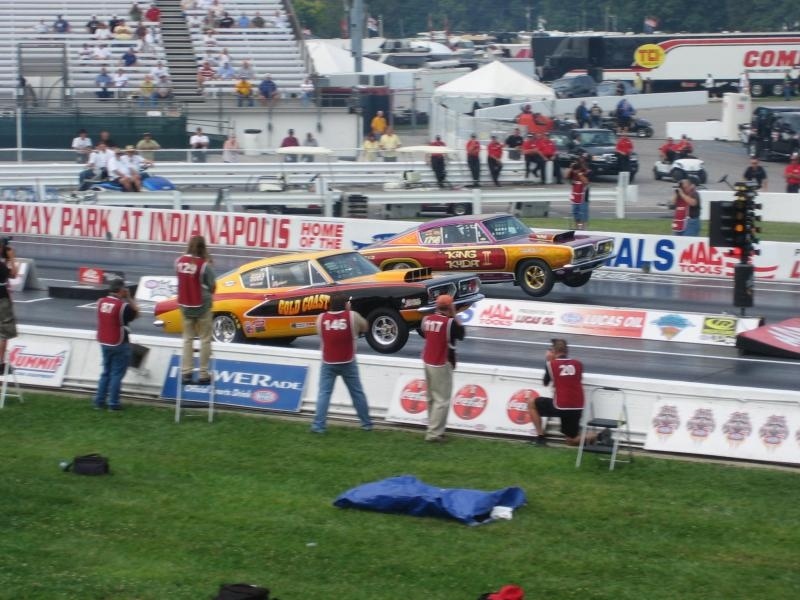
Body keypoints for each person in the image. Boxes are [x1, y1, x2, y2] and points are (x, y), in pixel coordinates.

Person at [310, 294, 373, 434]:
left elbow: (321, 334)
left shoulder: (321, 318)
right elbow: (366, 327)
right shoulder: (352, 316)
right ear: (346, 305)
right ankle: (366, 424)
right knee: (357, 393)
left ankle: (319, 426)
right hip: (348, 361)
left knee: (324, 394)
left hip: (328, 361)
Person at [526, 338, 590, 446]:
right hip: (577, 406)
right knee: (571, 441)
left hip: (561, 405)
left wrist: (548, 360)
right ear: (567, 351)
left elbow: (546, 383)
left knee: (531, 403)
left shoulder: (551, 364)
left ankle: (540, 437)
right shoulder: (578, 364)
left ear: (554, 351)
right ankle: (599, 436)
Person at [420, 294, 465, 443]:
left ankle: (433, 427)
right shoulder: (450, 322)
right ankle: (434, 434)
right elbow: (462, 334)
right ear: (450, 306)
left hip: (427, 360)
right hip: (441, 362)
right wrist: (454, 314)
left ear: (437, 306)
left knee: (431, 398)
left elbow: (424, 334)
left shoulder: (426, 319)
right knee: (442, 400)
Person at [176, 235, 216, 385]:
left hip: (185, 305)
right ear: (203, 247)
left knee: (187, 339)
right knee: (205, 339)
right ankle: (203, 373)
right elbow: (212, 286)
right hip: (202, 304)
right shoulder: (203, 265)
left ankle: (186, 373)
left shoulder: (179, 262)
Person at [93, 278, 139, 410]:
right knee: (116, 374)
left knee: (106, 372)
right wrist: (129, 298)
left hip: (104, 341)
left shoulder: (100, 302)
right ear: (121, 290)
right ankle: (113, 404)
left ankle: (99, 402)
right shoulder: (122, 306)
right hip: (119, 342)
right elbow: (137, 313)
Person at [0, 237, 18, 373]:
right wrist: (12, 258)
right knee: (4, 333)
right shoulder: (1, 265)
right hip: (2, 300)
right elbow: (13, 274)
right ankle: (1, 363)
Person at [566, 158, 590, 229]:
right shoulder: (573, 172)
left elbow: (586, 182)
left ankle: (583, 227)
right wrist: (571, 168)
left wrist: (579, 173)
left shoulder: (585, 171)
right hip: (575, 195)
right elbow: (566, 176)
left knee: (583, 211)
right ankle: (577, 227)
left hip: (583, 195)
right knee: (575, 211)